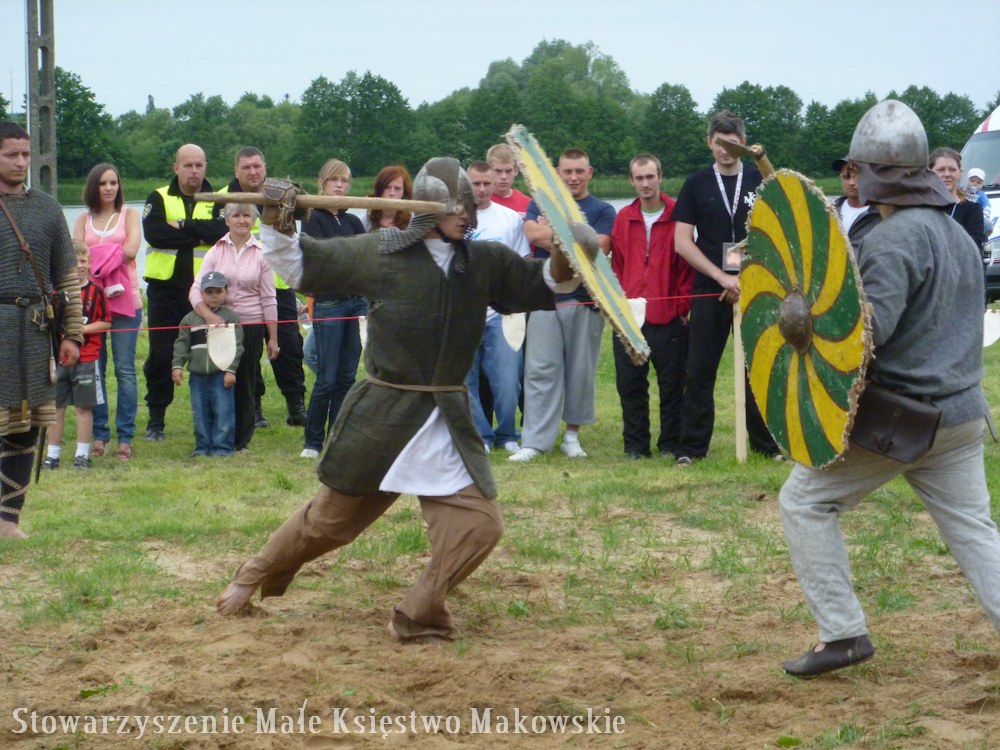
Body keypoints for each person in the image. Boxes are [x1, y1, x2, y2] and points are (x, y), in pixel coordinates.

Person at [216, 158, 585, 642]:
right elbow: (304, 266)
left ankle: (419, 613)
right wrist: (276, 222)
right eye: (457, 207)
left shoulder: (484, 262)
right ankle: (251, 575)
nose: (467, 215)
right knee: (328, 523)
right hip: (385, 417)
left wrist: (567, 252)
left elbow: (548, 284)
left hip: (448, 417)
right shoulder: (383, 252)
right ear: (429, 209)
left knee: (480, 525)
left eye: (469, 207)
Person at [780, 100, 1000, 678]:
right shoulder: (956, 236)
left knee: (804, 502)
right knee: (976, 533)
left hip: (902, 421)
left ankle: (842, 632)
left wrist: (804, 323)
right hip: (963, 415)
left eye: (857, 170)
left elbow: (864, 338)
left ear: (873, 173)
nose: (852, 179)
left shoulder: (892, 239)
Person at [670, 110, 780, 464]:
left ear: (743, 143)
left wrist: (744, 279)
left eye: (732, 143)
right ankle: (691, 449)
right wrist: (721, 277)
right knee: (699, 371)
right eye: (719, 142)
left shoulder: (760, 179)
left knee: (758, 368)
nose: (725, 149)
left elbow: (779, 229)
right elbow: (682, 242)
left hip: (755, 287)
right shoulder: (696, 183)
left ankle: (767, 446)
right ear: (709, 142)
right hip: (710, 286)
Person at [0, 121, 84, 538]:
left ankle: (7, 520)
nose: (21, 162)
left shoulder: (48, 209)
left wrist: (72, 333)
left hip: (34, 329)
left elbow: (67, 280)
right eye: (11, 154)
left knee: (26, 424)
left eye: (26, 154)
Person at [510, 148, 616, 463]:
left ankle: (572, 437)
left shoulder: (604, 210)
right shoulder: (540, 203)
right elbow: (533, 233)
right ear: (557, 173)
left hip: (585, 301)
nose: (573, 177)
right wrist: (576, 236)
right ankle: (534, 442)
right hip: (544, 299)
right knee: (539, 369)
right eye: (567, 171)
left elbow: (598, 247)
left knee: (581, 371)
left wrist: (554, 232)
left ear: (590, 173)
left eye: (579, 171)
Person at [213, 147, 307, 430]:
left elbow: (303, 219)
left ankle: (296, 404)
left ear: (265, 167)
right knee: (248, 350)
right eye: (246, 167)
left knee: (289, 347)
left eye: (257, 166)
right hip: (241, 286)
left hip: (278, 284)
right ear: (236, 171)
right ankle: (253, 407)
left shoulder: (281, 192)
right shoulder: (221, 198)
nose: (253, 172)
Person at [610, 154, 693, 460]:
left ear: (660, 177)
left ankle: (670, 444)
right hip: (630, 318)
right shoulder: (624, 217)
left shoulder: (678, 215)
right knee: (630, 385)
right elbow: (617, 266)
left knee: (672, 386)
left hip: (668, 317)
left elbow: (687, 267)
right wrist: (619, 307)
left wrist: (682, 309)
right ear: (631, 181)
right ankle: (636, 446)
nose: (645, 183)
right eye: (639, 178)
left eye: (650, 177)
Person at [142, 144, 226, 442]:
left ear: (205, 167)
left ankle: (214, 418)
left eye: (199, 165)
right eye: (188, 165)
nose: (194, 171)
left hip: (206, 293)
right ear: (176, 168)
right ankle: (156, 420)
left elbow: (222, 231)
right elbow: (155, 234)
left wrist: (183, 226)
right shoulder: (159, 197)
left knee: (212, 356)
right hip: (165, 292)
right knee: (161, 355)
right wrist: (199, 235)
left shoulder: (217, 199)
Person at [190, 203, 278, 452]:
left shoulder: (263, 253)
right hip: (219, 325)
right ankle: (216, 436)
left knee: (245, 381)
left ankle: (241, 440)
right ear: (227, 220)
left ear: (254, 220)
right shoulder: (214, 252)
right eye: (236, 215)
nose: (241, 220)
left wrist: (272, 337)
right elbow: (195, 289)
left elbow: (269, 298)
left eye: (246, 215)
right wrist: (208, 315)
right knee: (219, 382)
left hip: (251, 326)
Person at [73, 163, 143, 462]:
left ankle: (125, 437)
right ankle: (99, 433)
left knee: (125, 370)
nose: (109, 188)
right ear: (94, 187)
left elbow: (131, 250)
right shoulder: (82, 219)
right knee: (95, 369)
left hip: (127, 301)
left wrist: (94, 259)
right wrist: (111, 253)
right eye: (103, 183)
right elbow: (74, 255)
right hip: (91, 304)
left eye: (113, 182)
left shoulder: (130, 214)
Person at [299, 159, 366, 459]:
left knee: (347, 377)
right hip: (328, 302)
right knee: (326, 377)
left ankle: (337, 439)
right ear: (322, 183)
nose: (340, 185)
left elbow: (363, 258)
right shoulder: (312, 217)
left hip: (358, 302)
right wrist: (345, 262)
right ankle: (313, 442)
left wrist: (346, 263)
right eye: (334, 179)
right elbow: (320, 258)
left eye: (345, 180)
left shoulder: (354, 222)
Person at [464, 161, 531, 452]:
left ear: (494, 184)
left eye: (486, 184)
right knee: (465, 382)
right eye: (475, 184)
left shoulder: (510, 219)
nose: (481, 189)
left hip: (502, 314)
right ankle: (481, 435)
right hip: (463, 315)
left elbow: (522, 264)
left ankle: (507, 435)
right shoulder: (454, 219)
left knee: (507, 381)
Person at [41, 241, 112, 470]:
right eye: (73, 262)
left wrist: (78, 329)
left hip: (87, 358)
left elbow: (106, 322)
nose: (79, 266)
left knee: (83, 407)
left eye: (83, 261)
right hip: (59, 359)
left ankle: (82, 455)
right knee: (56, 407)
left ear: (90, 263)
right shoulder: (54, 293)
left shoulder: (96, 292)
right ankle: (52, 455)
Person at [173, 271, 244, 456]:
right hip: (197, 376)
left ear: (226, 292)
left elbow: (237, 347)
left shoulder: (231, 318)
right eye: (209, 292)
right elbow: (181, 345)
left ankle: (222, 448)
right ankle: (202, 447)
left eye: (218, 291)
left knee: (223, 412)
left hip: (221, 374)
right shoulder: (189, 319)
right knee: (200, 413)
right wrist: (177, 365)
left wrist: (231, 370)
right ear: (201, 294)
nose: (214, 296)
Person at [929, 147, 986, 247]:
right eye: (941, 169)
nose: (947, 174)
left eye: (952, 169)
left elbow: (973, 249)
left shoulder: (972, 210)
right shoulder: (921, 209)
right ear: (929, 174)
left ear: (960, 174)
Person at [830, 157, 881, 253]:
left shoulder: (880, 215)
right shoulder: (830, 210)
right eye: (846, 177)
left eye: (857, 177)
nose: (851, 183)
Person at [486, 143, 531, 217]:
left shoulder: (529, 205)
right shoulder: (479, 203)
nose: (503, 177)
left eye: (508, 171)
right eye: (498, 171)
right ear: (488, 171)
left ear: (516, 171)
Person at [363, 166, 412, 232]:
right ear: (379, 190)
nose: (392, 193)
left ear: (404, 192)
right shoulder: (363, 222)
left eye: (397, 188)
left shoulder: (413, 222)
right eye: (387, 187)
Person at [965, 167, 992, 233]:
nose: (975, 184)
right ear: (967, 180)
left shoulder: (981, 195)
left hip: (977, 219)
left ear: (982, 184)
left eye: (978, 182)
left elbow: (987, 207)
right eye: (972, 181)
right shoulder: (963, 192)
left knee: (985, 226)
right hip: (965, 219)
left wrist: (982, 216)